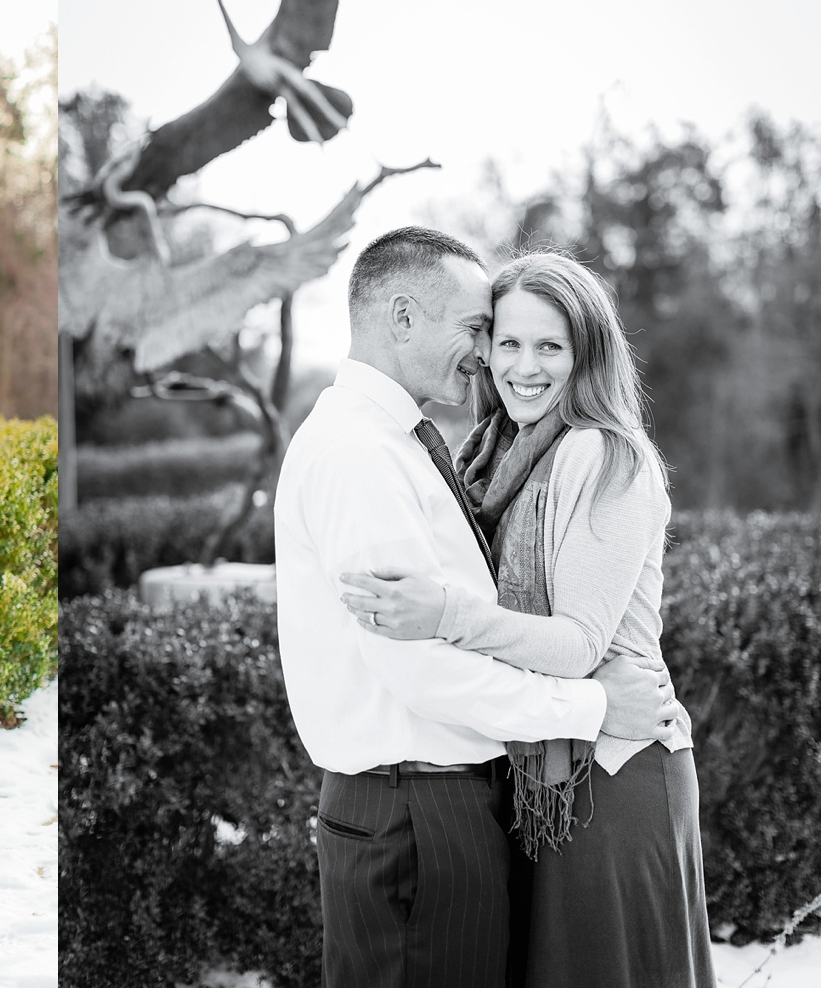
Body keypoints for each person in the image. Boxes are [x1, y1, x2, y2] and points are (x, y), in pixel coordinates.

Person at [274, 226, 680, 988]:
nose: (496, 356)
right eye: (486, 333)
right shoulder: (368, 452)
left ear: (585, 353)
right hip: (425, 801)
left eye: (546, 346)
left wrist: (457, 619)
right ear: (402, 317)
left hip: (521, 787)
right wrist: (590, 706)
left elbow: (561, 632)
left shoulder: (479, 451)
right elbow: (421, 672)